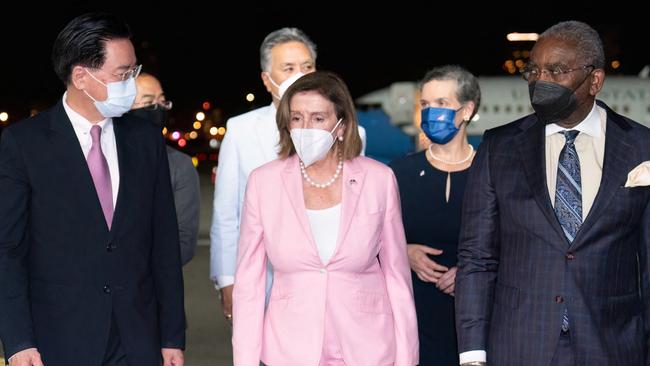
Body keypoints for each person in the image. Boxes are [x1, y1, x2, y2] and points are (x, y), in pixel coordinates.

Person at [455, 20, 650, 366]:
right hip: (520, 345)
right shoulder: (499, 149)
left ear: (595, 81)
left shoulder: (640, 148)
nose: (541, 82)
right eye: (534, 71)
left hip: (613, 345)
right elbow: (477, 259)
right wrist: (472, 353)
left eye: (556, 71)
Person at [0, 13, 185, 366]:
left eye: (134, 70)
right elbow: (8, 250)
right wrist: (18, 340)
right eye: (123, 74)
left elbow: (164, 243)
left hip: (138, 339)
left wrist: (172, 336)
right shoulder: (24, 144)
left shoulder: (145, 141)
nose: (131, 82)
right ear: (81, 76)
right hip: (57, 341)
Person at [232, 71, 418, 365]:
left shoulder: (378, 179)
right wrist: (245, 360)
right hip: (290, 348)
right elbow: (248, 284)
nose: (306, 127)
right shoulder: (263, 183)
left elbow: (397, 276)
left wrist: (407, 357)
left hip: (368, 347)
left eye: (318, 118)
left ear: (341, 126)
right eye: (297, 118)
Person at [210, 27, 365, 321]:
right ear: (267, 80)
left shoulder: (351, 134)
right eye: (289, 68)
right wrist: (227, 280)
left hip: (331, 284)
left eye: (307, 67)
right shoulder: (241, 131)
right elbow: (226, 214)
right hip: (265, 281)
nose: (301, 75)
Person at [389, 65, 480, 366]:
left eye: (441, 103)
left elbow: (517, 241)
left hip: (474, 320)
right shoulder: (398, 173)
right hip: (413, 318)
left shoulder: (492, 173)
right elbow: (371, 240)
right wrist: (403, 252)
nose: (431, 113)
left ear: (466, 110)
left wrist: (472, 273)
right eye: (425, 104)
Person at [129, 72, 200, 266]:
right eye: (148, 102)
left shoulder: (179, 165)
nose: (157, 109)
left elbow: (184, 241)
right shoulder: (102, 158)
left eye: (162, 102)